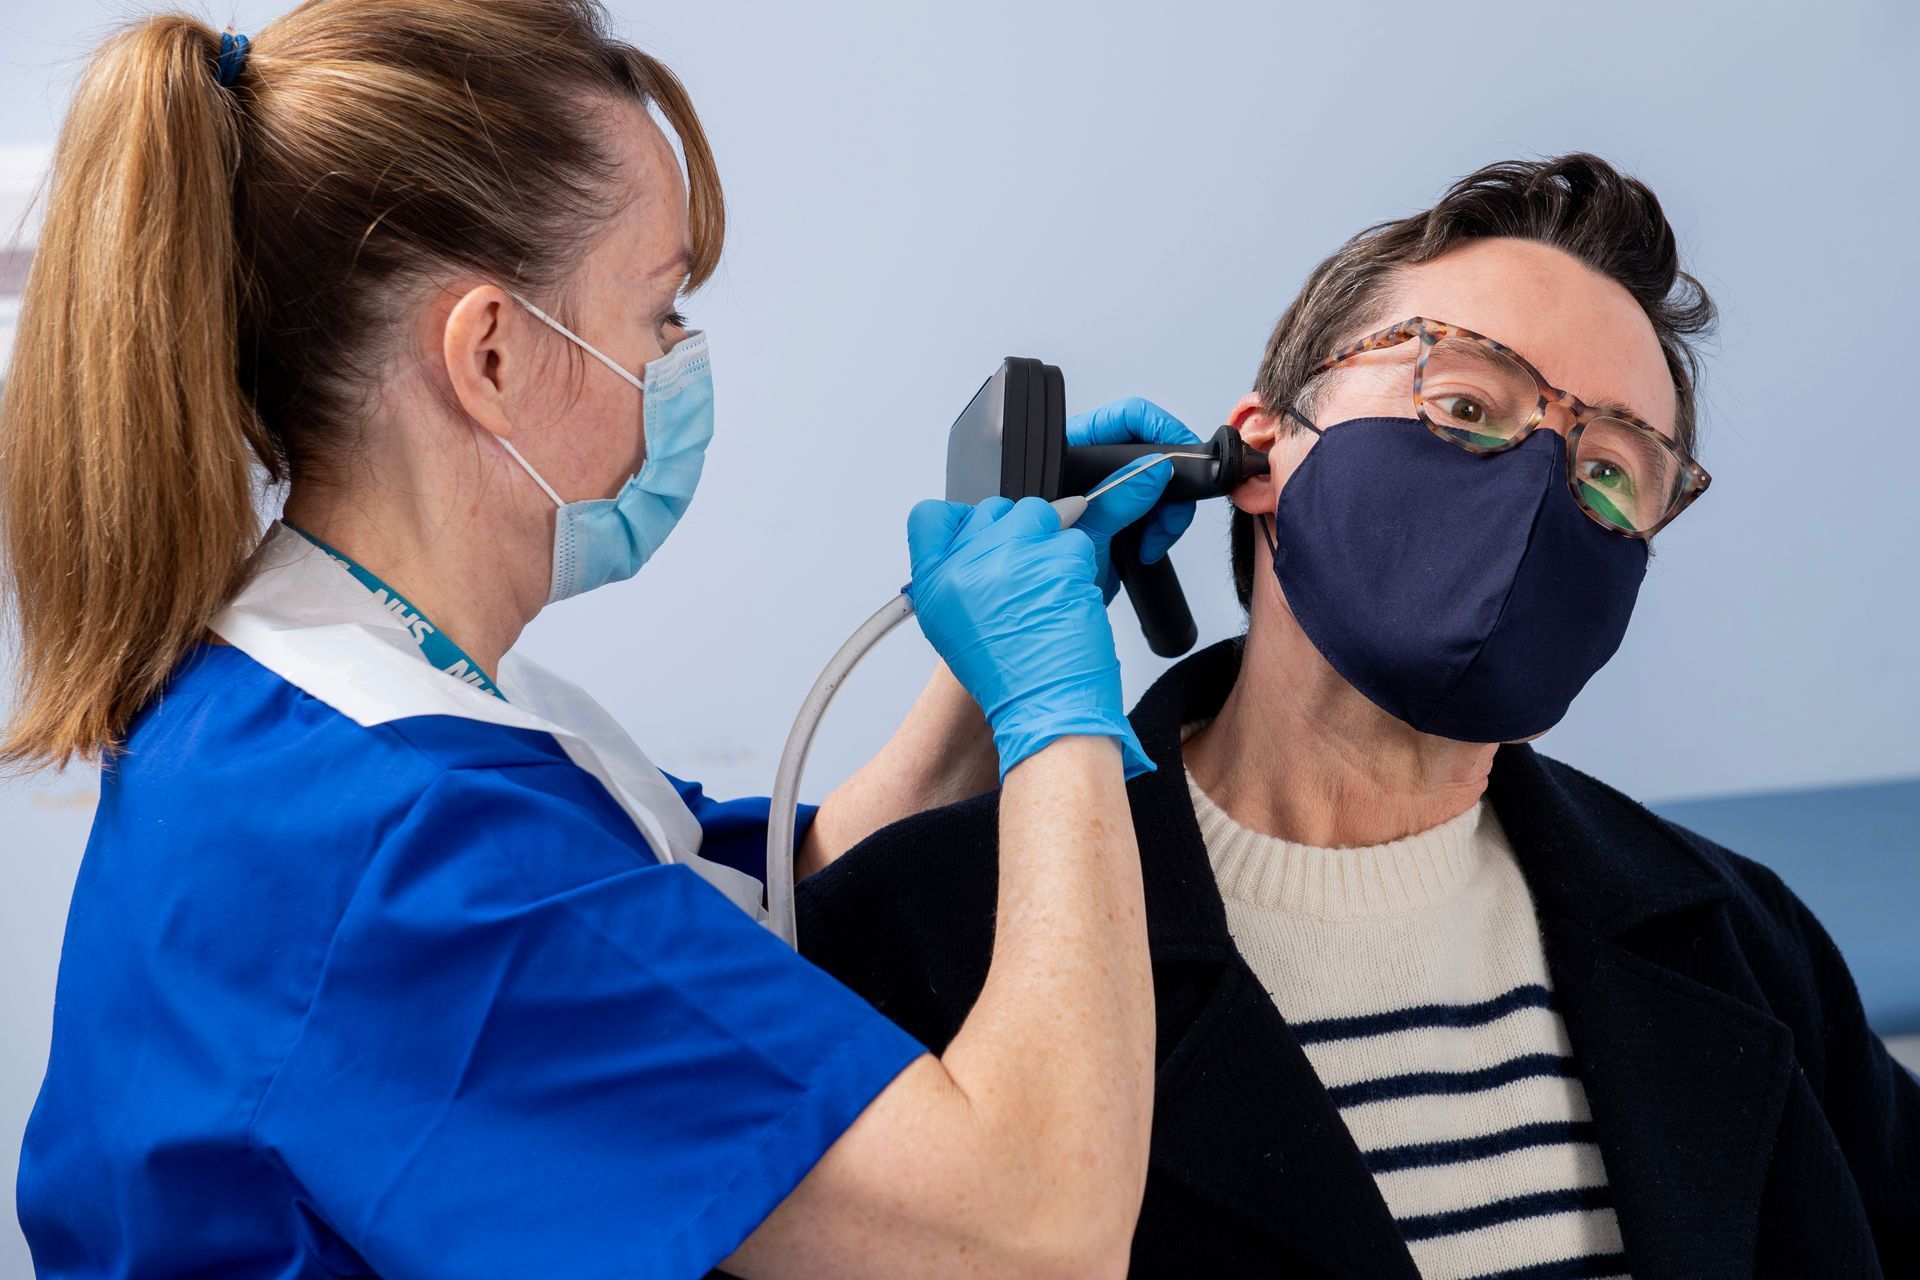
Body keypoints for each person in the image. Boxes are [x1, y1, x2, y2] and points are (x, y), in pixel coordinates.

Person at [0, 3, 1209, 1276]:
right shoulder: (420, 849)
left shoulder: (322, 704)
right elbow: (1032, 1229)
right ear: (493, 357)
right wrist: (1060, 713)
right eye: (658, 310)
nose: (682, 361)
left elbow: (749, 917)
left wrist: (989, 669)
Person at [795, 154, 1920, 1278]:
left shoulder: (1740, 937)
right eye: (1468, 402)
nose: (1536, 487)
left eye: (1611, 471)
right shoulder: (934, 930)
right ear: (1261, 451)